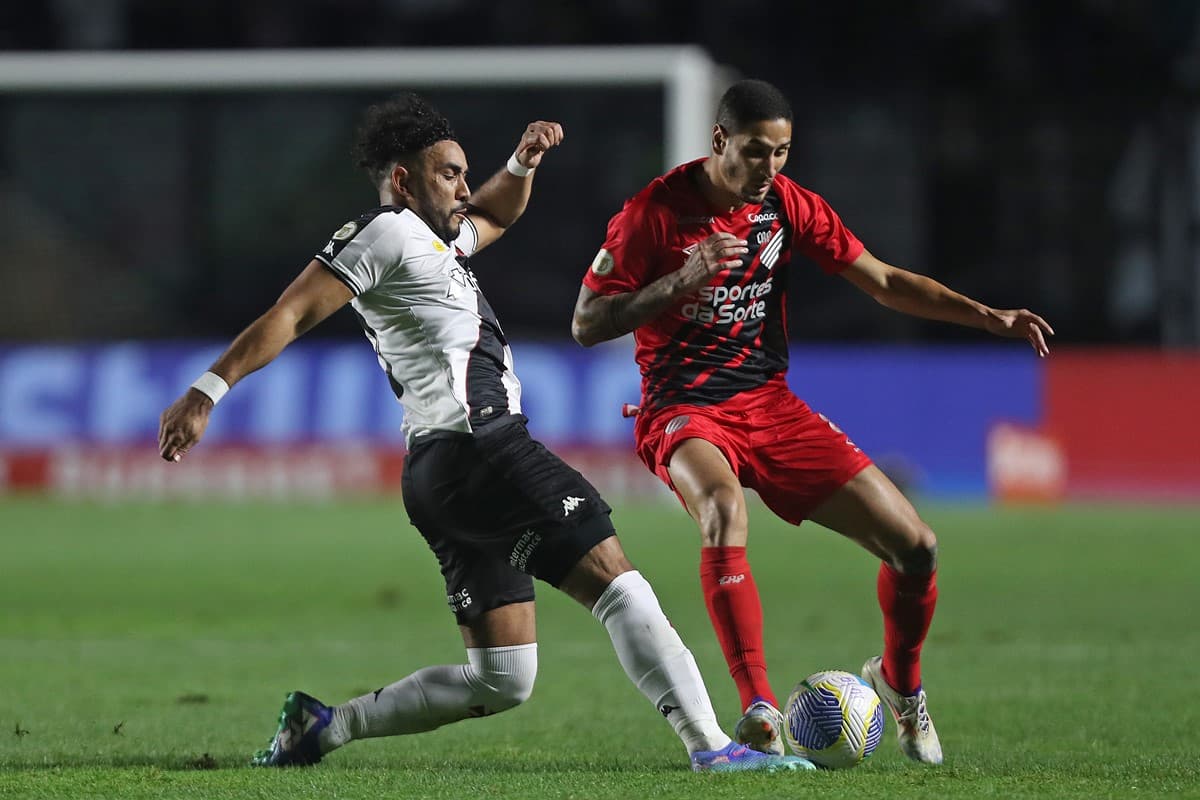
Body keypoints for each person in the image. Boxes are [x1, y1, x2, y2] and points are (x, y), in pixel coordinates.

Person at [157, 93, 815, 774]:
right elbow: (291, 313)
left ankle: (324, 727)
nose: (464, 188)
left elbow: (497, 213)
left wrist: (521, 164)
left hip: (440, 475)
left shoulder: (436, 240)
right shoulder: (385, 232)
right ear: (403, 180)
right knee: (618, 584)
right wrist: (207, 392)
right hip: (484, 449)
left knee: (503, 677)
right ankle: (713, 748)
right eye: (450, 174)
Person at [571, 79, 1055, 765]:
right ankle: (759, 707)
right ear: (719, 141)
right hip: (682, 407)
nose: (769, 167)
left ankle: (901, 682)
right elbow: (587, 322)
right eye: (755, 151)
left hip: (770, 405)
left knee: (916, 547)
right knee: (723, 510)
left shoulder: (787, 205)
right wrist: (680, 281)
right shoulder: (653, 213)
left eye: (781, 152)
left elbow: (882, 281)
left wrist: (988, 317)